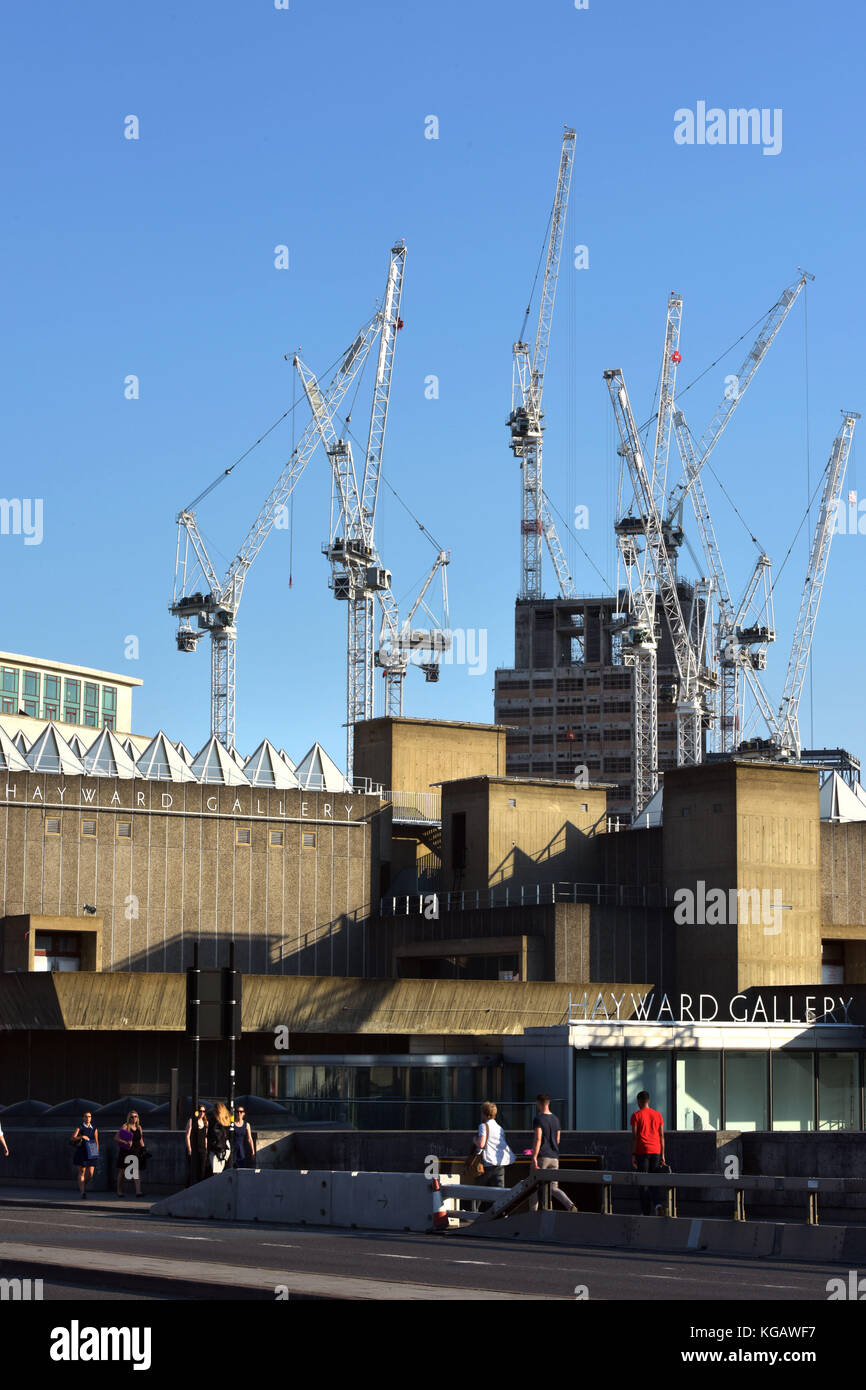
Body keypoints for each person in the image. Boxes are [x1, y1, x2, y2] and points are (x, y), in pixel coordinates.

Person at [530, 1093, 577, 1213]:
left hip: (542, 1157)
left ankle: (532, 1214)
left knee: (533, 1186)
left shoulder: (538, 1119)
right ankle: (569, 1205)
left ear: (539, 1103)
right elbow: (558, 1140)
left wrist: (534, 1156)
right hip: (554, 1157)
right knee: (553, 1188)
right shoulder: (556, 1119)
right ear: (548, 1103)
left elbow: (538, 1138)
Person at [469, 1102, 513, 1211]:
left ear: (484, 1114)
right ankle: (501, 1213)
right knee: (499, 1192)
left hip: (487, 1164)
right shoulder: (500, 1128)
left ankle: (473, 1215)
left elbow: (481, 1144)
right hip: (500, 1164)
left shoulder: (483, 1126)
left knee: (478, 1191)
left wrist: (474, 1140)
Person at [631, 1089, 666, 1216]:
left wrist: (633, 1154)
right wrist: (663, 1155)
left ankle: (646, 1211)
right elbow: (662, 1136)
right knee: (654, 1180)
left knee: (643, 1182)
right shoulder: (658, 1115)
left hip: (642, 1151)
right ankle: (658, 1205)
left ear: (639, 1102)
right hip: (656, 1151)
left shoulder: (636, 1115)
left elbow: (634, 1136)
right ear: (649, 1101)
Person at [115, 1111, 146, 1198]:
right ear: (129, 1118)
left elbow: (141, 1140)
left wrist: (144, 1149)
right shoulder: (125, 1126)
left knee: (136, 1172)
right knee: (123, 1172)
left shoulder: (139, 1127)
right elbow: (116, 1137)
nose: (134, 1118)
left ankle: (138, 1192)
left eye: (136, 1116)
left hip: (136, 1152)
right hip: (126, 1152)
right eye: (132, 1117)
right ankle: (119, 1191)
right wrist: (125, 1142)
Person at [71, 1110, 99, 1198]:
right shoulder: (80, 1128)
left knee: (90, 1174)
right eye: (86, 1116)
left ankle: (82, 1185)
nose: (88, 1118)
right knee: (82, 1171)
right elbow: (72, 1138)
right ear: (83, 1118)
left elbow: (96, 1141)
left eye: (89, 1116)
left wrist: (96, 1152)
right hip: (81, 1151)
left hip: (91, 1151)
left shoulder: (94, 1128)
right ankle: (83, 1192)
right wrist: (82, 1136)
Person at [185, 1103, 209, 1186]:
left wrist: (206, 1148)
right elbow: (187, 1136)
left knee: (202, 1169)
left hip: (202, 1149)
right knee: (192, 1170)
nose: (202, 1113)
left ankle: (200, 1185)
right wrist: (189, 1149)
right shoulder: (192, 1121)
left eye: (203, 1111)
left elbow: (206, 1137)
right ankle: (189, 1186)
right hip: (194, 1148)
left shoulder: (206, 1123)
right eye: (200, 1111)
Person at [207, 1102, 233, 1174]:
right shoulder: (227, 1120)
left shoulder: (213, 1121)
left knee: (215, 1171)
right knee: (222, 1171)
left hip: (216, 1147)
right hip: (225, 1147)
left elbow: (211, 1134)